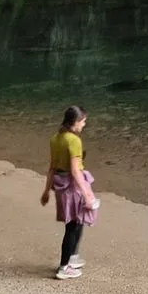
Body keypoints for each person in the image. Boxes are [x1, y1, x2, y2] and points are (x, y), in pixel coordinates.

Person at [41, 104, 99, 279]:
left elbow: (51, 167)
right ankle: (64, 267)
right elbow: (75, 171)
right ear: (75, 122)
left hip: (61, 187)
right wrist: (87, 194)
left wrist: (46, 191)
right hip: (73, 187)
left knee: (77, 222)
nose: (84, 125)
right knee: (72, 226)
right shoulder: (73, 141)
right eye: (83, 121)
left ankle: (72, 258)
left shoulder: (55, 139)